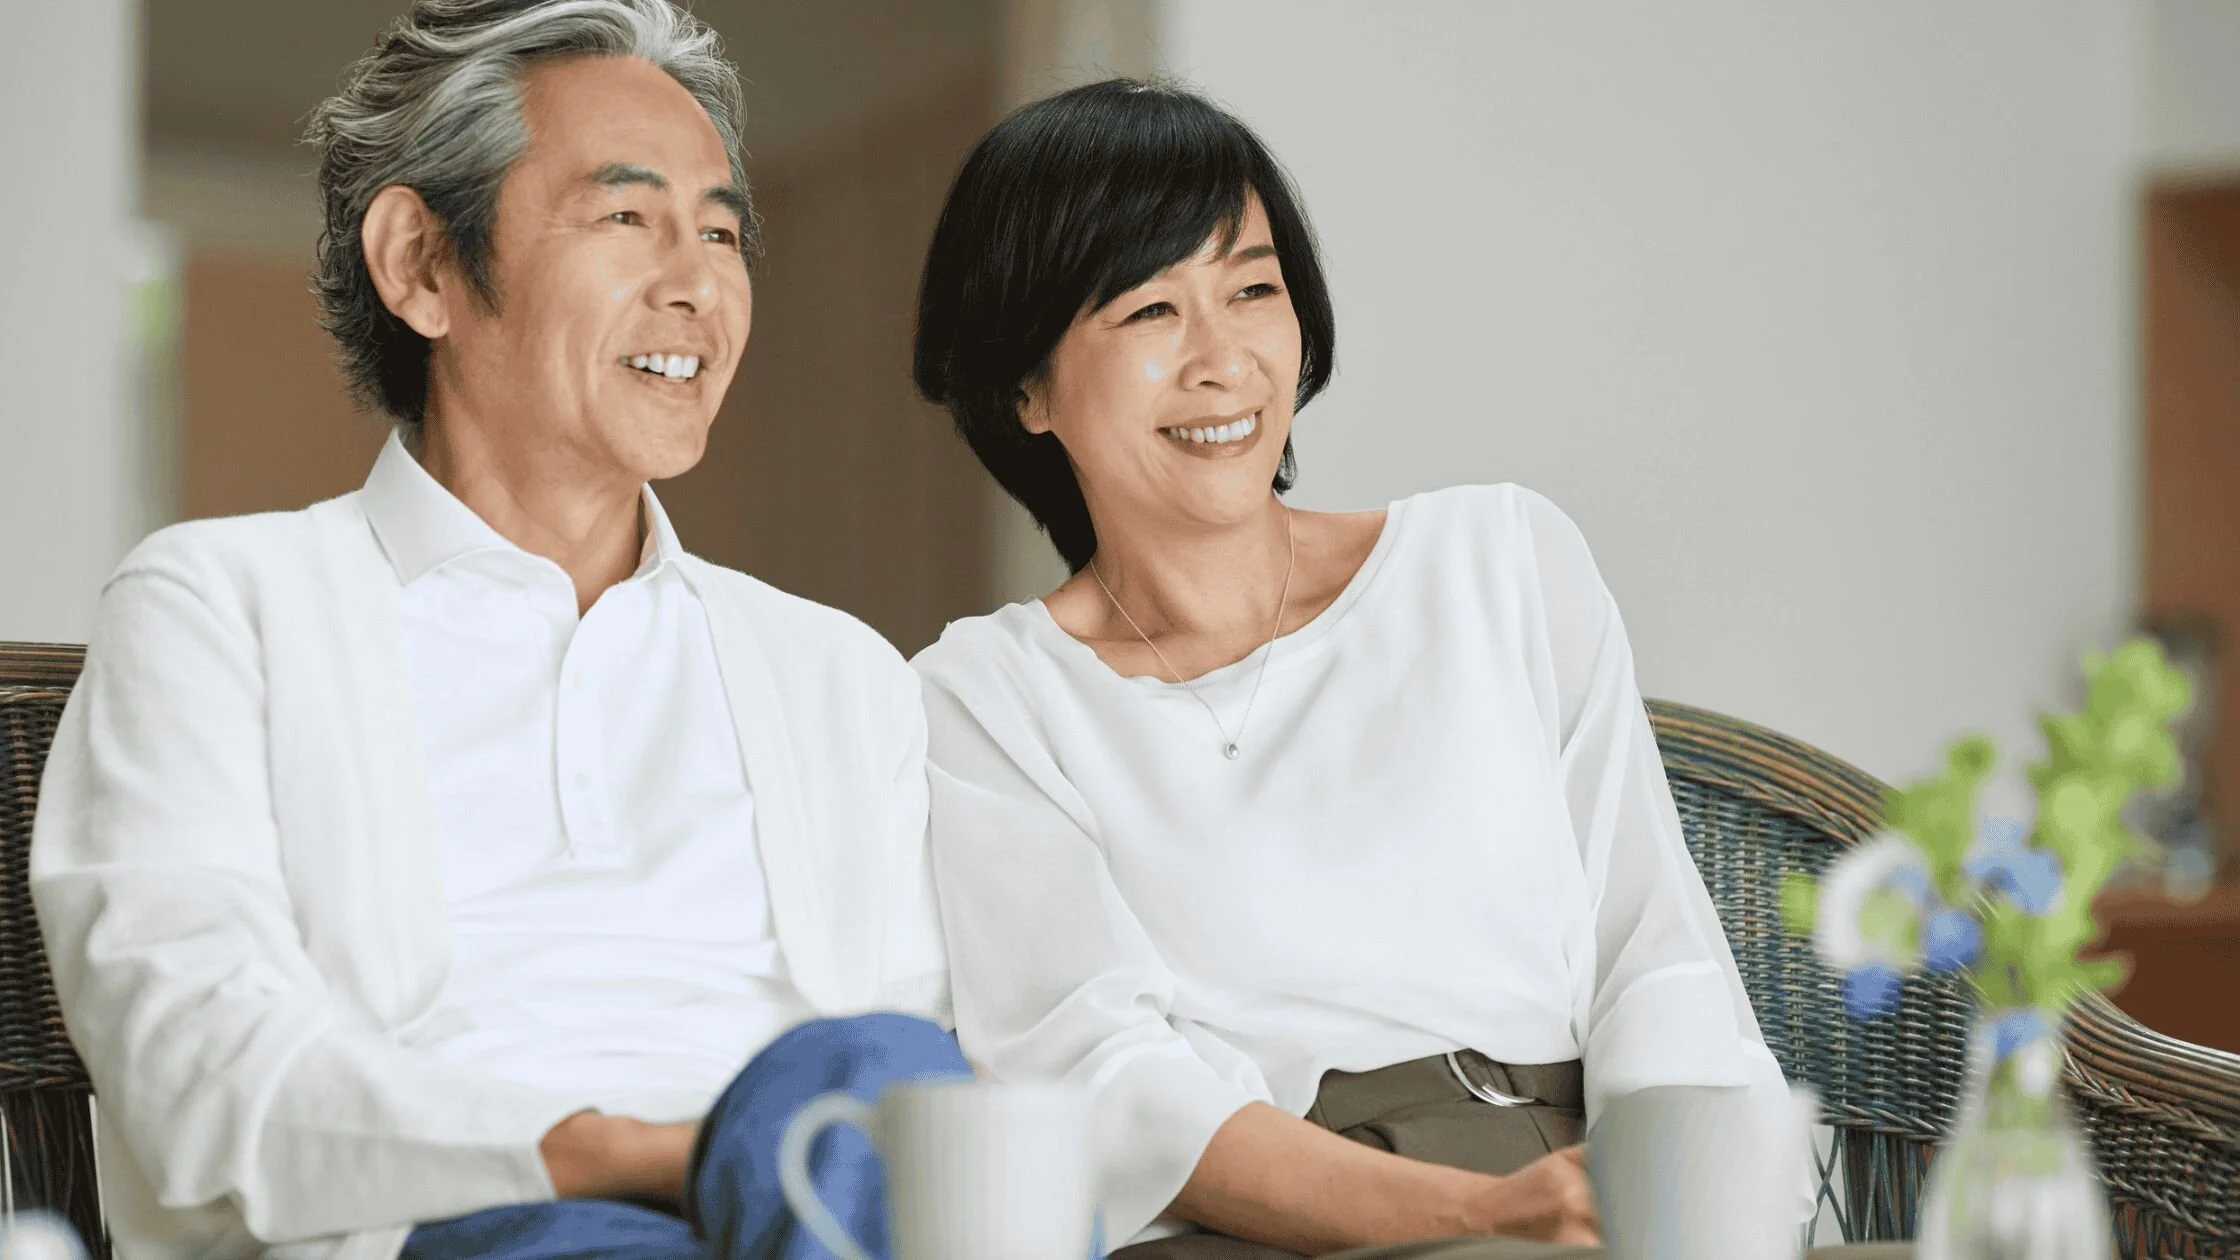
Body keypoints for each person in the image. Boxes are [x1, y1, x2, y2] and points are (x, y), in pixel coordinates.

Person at [30, 4, 958, 1259]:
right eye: (625, 217)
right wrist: (645, 1156)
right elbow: (203, 1072)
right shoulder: (219, 609)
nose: (697, 284)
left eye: (721, 232)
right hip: (451, 1226)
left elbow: (908, 1089)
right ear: (420, 264)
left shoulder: (838, 673)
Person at [911, 80, 1895, 1259]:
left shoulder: (1500, 561)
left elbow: (1652, 951)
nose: (1223, 359)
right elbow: (1107, 1082)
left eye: (1252, 289)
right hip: (1266, 1227)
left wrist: (1668, 1207)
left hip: (1584, 1188)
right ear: (1025, 386)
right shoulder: (986, 698)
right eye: (1150, 310)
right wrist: (1478, 1214)